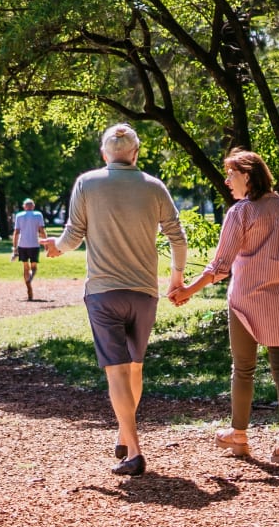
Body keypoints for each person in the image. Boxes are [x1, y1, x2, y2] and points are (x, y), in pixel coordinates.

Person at [44, 124, 188, 477]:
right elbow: (178, 238)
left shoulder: (87, 183)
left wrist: (56, 249)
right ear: (136, 153)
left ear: (104, 153)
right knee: (134, 368)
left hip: (103, 292)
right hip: (143, 292)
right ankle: (125, 433)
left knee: (116, 372)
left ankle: (134, 451)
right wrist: (176, 279)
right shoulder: (154, 187)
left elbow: (73, 235)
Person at [172, 150, 279, 465]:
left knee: (243, 368)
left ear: (247, 176)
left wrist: (188, 290)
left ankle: (239, 436)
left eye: (230, 174)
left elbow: (220, 266)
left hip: (245, 301)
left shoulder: (240, 212)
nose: (226, 180)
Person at [11, 197, 47, 301]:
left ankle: (28, 287)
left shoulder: (19, 216)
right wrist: (46, 243)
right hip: (34, 244)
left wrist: (14, 247)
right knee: (34, 267)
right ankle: (30, 280)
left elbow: (16, 232)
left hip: (22, 245)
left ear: (24, 206)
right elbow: (42, 230)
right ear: (33, 206)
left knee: (25, 267)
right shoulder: (38, 215)